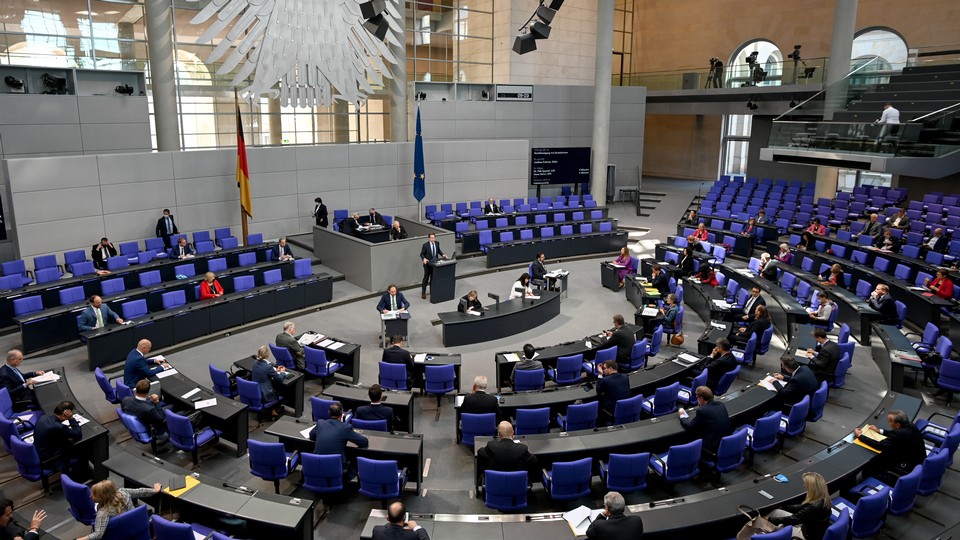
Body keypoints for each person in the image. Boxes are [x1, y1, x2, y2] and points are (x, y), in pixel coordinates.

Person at [76, 480, 161, 540]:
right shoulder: (123, 492)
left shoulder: (103, 513)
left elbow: (98, 535)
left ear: (102, 497)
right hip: (137, 527)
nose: (91, 496)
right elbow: (140, 492)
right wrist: (154, 490)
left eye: (94, 494)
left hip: (120, 534)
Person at [855, 410, 926, 478]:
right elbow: (895, 434)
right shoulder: (911, 425)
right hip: (918, 460)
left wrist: (860, 436)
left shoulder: (898, 433)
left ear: (898, 425)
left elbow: (879, 445)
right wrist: (879, 431)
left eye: (889, 421)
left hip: (906, 465)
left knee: (877, 457)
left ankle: (868, 477)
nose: (888, 423)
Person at [309, 402, 369, 479]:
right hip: (336, 466)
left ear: (329, 412)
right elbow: (364, 442)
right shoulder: (345, 428)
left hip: (318, 463)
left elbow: (311, 436)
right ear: (341, 414)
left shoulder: (321, 423)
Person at [766, 472, 832, 540]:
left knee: (775, 528)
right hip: (808, 527)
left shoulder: (813, 506)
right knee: (776, 512)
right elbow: (801, 507)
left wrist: (769, 519)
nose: (804, 486)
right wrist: (784, 507)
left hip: (807, 536)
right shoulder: (824, 498)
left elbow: (792, 519)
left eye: (806, 484)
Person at [679, 386, 731, 457]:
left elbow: (689, 427)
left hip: (711, 451)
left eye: (697, 397)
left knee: (686, 438)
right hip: (725, 446)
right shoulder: (721, 405)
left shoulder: (703, 411)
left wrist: (682, 416)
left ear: (701, 398)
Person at [34, 400, 81, 471]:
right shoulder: (59, 427)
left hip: (39, 453)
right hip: (49, 459)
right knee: (82, 449)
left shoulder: (43, 417)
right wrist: (71, 419)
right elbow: (77, 433)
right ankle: (78, 475)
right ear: (64, 415)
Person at [252, 345, 286, 417]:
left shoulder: (255, 362)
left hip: (256, 391)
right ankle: (275, 410)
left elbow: (264, 372)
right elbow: (279, 379)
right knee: (282, 389)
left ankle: (274, 410)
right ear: (268, 354)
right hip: (265, 394)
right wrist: (282, 372)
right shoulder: (268, 367)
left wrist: (275, 371)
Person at [420, 233, 447, 299]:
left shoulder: (437, 243)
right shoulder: (425, 245)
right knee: (426, 278)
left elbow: (438, 251)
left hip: (435, 264)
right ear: (429, 238)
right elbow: (422, 254)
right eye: (431, 238)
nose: (433, 239)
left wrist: (443, 255)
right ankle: (423, 293)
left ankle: (432, 291)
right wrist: (424, 259)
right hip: (428, 264)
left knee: (433, 278)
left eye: (434, 237)